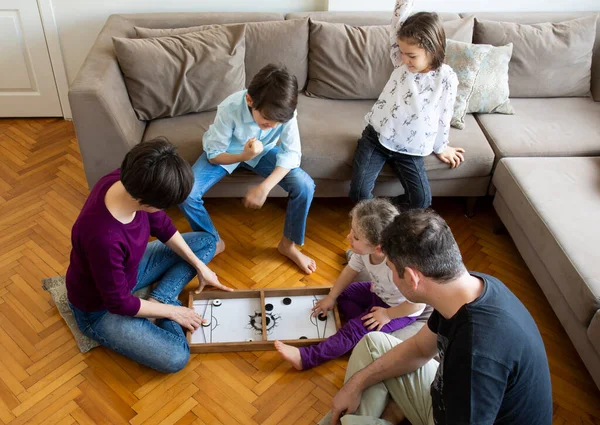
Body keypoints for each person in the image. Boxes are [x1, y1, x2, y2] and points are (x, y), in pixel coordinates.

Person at [320, 209, 553, 425]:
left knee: (352, 418)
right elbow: (420, 349)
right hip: (443, 397)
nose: (388, 274)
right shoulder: (464, 288)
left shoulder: (476, 353)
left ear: (412, 278)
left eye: (390, 268)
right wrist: (355, 385)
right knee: (371, 344)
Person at [66, 138, 232, 373]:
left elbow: (162, 226)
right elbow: (119, 302)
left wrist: (199, 266)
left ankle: (160, 298)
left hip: (130, 270)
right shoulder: (104, 238)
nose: (164, 209)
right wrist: (176, 312)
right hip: (100, 309)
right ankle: (165, 302)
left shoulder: (130, 180)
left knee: (206, 242)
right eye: (162, 204)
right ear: (144, 201)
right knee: (176, 356)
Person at [179, 64, 317, 274]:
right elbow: (214, 154)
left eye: (276, 124)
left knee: (304, 185)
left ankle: (287, 246)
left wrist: (265, 187)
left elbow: (292, 154)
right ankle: (213, 241)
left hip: (265, 152)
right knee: (186, 193)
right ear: (250, 101)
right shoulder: (230, 108)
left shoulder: (285, 113)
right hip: (227, 153)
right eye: (266, 122)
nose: (272, 126)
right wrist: (244, 156)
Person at [275, 198, 425, 370]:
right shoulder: (364, 252)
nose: (348, 237)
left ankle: (306, 359)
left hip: (400, 310)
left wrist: (388, 315)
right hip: (377, 293)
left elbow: (418, 304)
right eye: (351, 231)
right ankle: (358, 334)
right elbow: (349, 272)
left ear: (378, 248)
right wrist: (331, 297)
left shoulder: (399, 269)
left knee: (353, 330)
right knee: (343, 294)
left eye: (355, 237)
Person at [349, 0, 464, 209]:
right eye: (402, 52)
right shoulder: (401, 63)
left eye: (411, 56)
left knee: (421, 201)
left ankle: (381, 212)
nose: (404, 59)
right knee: (358, 192)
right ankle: (375, 214)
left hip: (411, 148)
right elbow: (397, 22)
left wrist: (442, 146)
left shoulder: (445, 78)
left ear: (432, 50)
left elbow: (444, 115)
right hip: (377, 137)